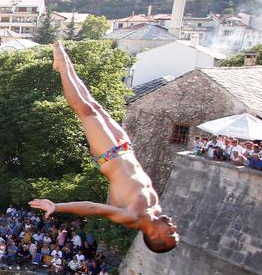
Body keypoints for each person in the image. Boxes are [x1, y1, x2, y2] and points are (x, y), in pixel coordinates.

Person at [29, 42, 179, 254]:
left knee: (86, 110)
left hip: (109, 156)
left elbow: (93, 207)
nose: (173, 227)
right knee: (95, 106)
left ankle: (62, 67)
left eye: (170, 233)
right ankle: (64, 66)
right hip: (125, 149)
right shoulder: (155, 209)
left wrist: (57, 206)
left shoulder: (132, 217)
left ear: (154, 235)